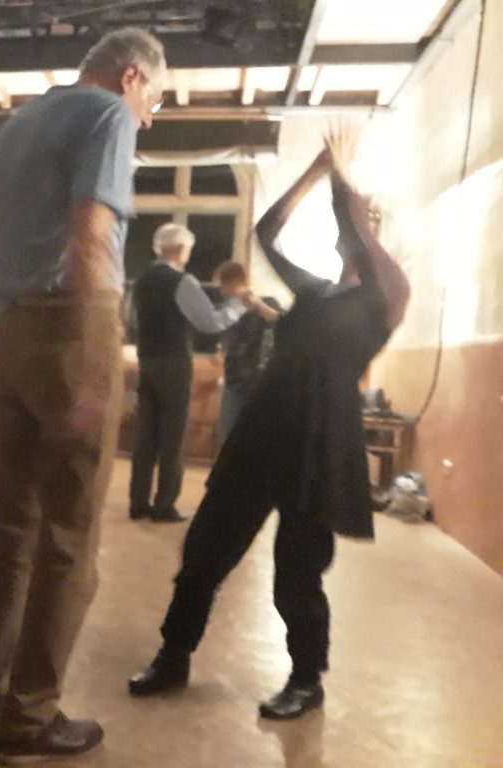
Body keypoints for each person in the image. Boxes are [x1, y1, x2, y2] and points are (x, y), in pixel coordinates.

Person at [0, 28, 167, 763]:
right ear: (132, 77)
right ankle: (29, 720)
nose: (149, 118)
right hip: (72, 327)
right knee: (69, 537)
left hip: (14, 333)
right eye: (155, 100)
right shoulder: (107, 116)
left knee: (15, 529)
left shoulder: (18, 124)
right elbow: (90, 231)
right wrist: (97, 363)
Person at [127, 129, 411, 721]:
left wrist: (344, 178)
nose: (353, 231)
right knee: (205, 550)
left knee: (297, 575)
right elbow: (265, 233)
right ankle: (173, 655)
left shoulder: (388, 293)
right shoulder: (315, 291)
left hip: (319, 441)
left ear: (375, 232)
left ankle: (306, 680)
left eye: (364, 225)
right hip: (263, 430)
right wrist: (314, 171)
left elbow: (355, 225)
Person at [128, 223, 252, 523]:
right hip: (173, 362)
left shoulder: (141, 281)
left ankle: (138, 503)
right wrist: (238, 306)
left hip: (146, 359)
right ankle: (164, 505)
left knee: (145, 435)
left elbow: (130, 320)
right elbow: (210, 323)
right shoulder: (182, 281)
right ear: (181, 249)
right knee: (172, 435)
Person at [212, 261, 281, 447]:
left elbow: (280, 323)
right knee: (227, 436)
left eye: (223, 286)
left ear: (236, 281)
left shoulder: (267, 302)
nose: (222, 292)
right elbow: (226, 342)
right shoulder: (229, 310)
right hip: (233, 379)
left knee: (257, 438)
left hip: (259, 381)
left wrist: (257, 304)